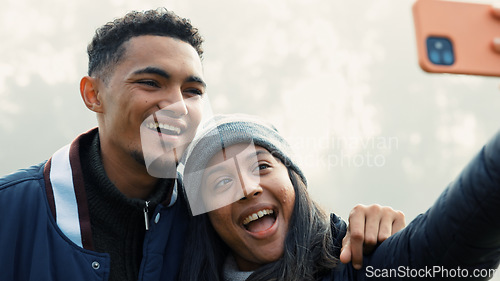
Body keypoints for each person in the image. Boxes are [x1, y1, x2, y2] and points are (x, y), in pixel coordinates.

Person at [0, 8, 405, 281]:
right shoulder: (12, 212)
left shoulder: (213, 214)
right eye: (150, 83)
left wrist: (362, 234)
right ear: (93, 94)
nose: (176, 106)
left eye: (192, 90)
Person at [179, 114, 500, 281]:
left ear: (293, 180)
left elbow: (453, 242)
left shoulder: (362, 262)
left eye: (261, 166)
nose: (248, 188)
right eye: (221, 182)